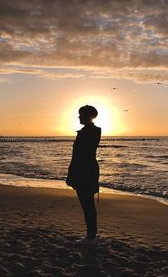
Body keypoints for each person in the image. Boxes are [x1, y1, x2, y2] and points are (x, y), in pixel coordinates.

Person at [66, 105, 101, 245]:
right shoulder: (91, 131)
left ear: (87, 116)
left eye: (81, 115)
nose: (79, 117)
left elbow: (80, 156)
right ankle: (91, 235)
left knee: (87, 205)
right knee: (88, 205)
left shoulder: (88, 132)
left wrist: (73, 174)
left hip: (85, 172)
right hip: (88, 170)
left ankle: (91, 237)